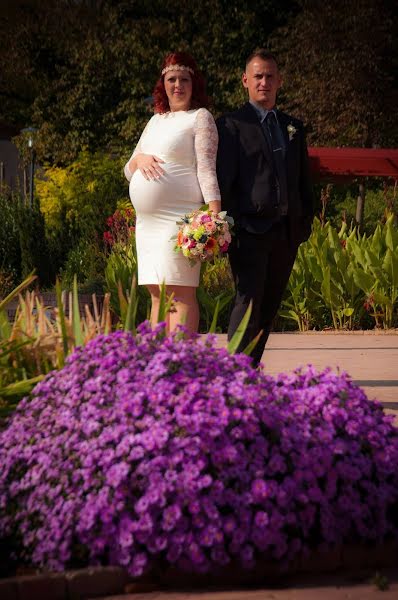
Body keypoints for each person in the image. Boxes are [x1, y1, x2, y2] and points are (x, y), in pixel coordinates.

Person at [216, 49, 314, 366]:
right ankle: (234, 376)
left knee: (269, 309)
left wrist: (303, 224)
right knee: (248, 305)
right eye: (258, 76)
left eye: (270, 76)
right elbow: (224, 181)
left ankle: (250, 371)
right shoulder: (230, 125)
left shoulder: (293, 127)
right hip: (249, 232)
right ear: (245, 80)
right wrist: (231, 227)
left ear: (279, 81)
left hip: (286, 233)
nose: (264, 82)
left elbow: (303, 179)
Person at [124, 52, 221, 332]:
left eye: (183, 79)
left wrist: (213, 218)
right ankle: (159, 362)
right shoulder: (155, 120)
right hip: (148, 225)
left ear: (194, 84)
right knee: (157, 293)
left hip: (178, 220)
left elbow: (206, 169)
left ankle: (181, 364)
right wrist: (139, 160)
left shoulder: (200, 118)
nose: (177, 85)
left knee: (180, 293)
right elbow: (128, 170)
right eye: (171, 79)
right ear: (163, 84)